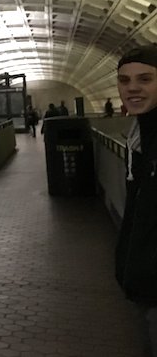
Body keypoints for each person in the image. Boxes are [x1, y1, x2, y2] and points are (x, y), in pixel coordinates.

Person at [114, 45, 157, 357]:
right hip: (146, 280)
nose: (133, 88)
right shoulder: (140, 133)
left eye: (145, 79)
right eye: (124, 80)